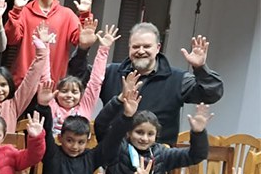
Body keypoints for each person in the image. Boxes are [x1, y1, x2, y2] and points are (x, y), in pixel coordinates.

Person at [69, 22, 223, 146]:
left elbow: (212, 93)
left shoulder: (178, 79)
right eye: (136, 46)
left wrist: (200, 68)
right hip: (114, 158)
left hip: (158, 162)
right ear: (129, 48)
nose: (141, 51)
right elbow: (77, 79)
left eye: (147, 46)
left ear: (158, 48)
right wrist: (82, 49)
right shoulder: (111, 72)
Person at [4, 0, 92, 86]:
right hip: (24, 81)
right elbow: (11, 39)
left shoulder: (67, 14)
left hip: (53, 82)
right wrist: (16, 10)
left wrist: (85, 14)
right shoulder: (25, 11)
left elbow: (80, 41)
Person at [45, 20, 117, 135]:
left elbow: (95, 81)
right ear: (56, 93)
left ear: (81, 95)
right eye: (64, 91)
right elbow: (44, 77)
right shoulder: (51, 105)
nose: (69, 95)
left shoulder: (85, 107)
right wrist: (44, 47)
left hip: (79, 151)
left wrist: (104, 49)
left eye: (74, 92)